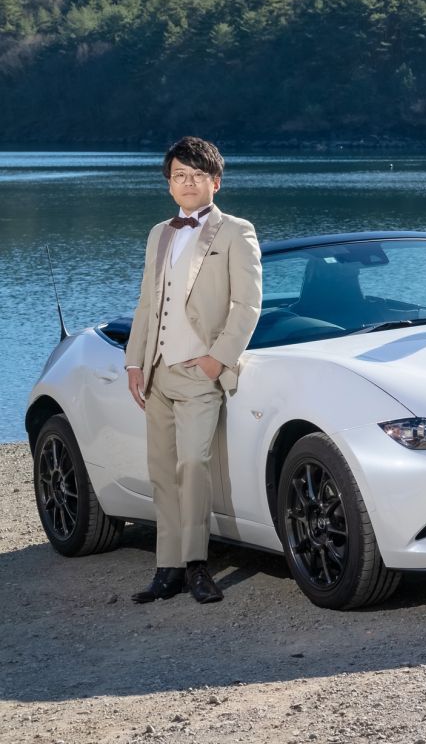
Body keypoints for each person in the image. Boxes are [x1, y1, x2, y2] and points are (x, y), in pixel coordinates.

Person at [125, 137, 262, 604]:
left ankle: (198, 566)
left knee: (193, 464)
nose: (187, 183)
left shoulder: (236, 232)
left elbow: (248, 304)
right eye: (179, 176)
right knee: (162, 470)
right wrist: (134, 361)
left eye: (197, 176)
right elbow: (148, 302)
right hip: (158, 373)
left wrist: (216, 360)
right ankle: (168, 569)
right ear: (169, 185)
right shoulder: (158, 233)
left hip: (200, 372)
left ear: (215, 182)